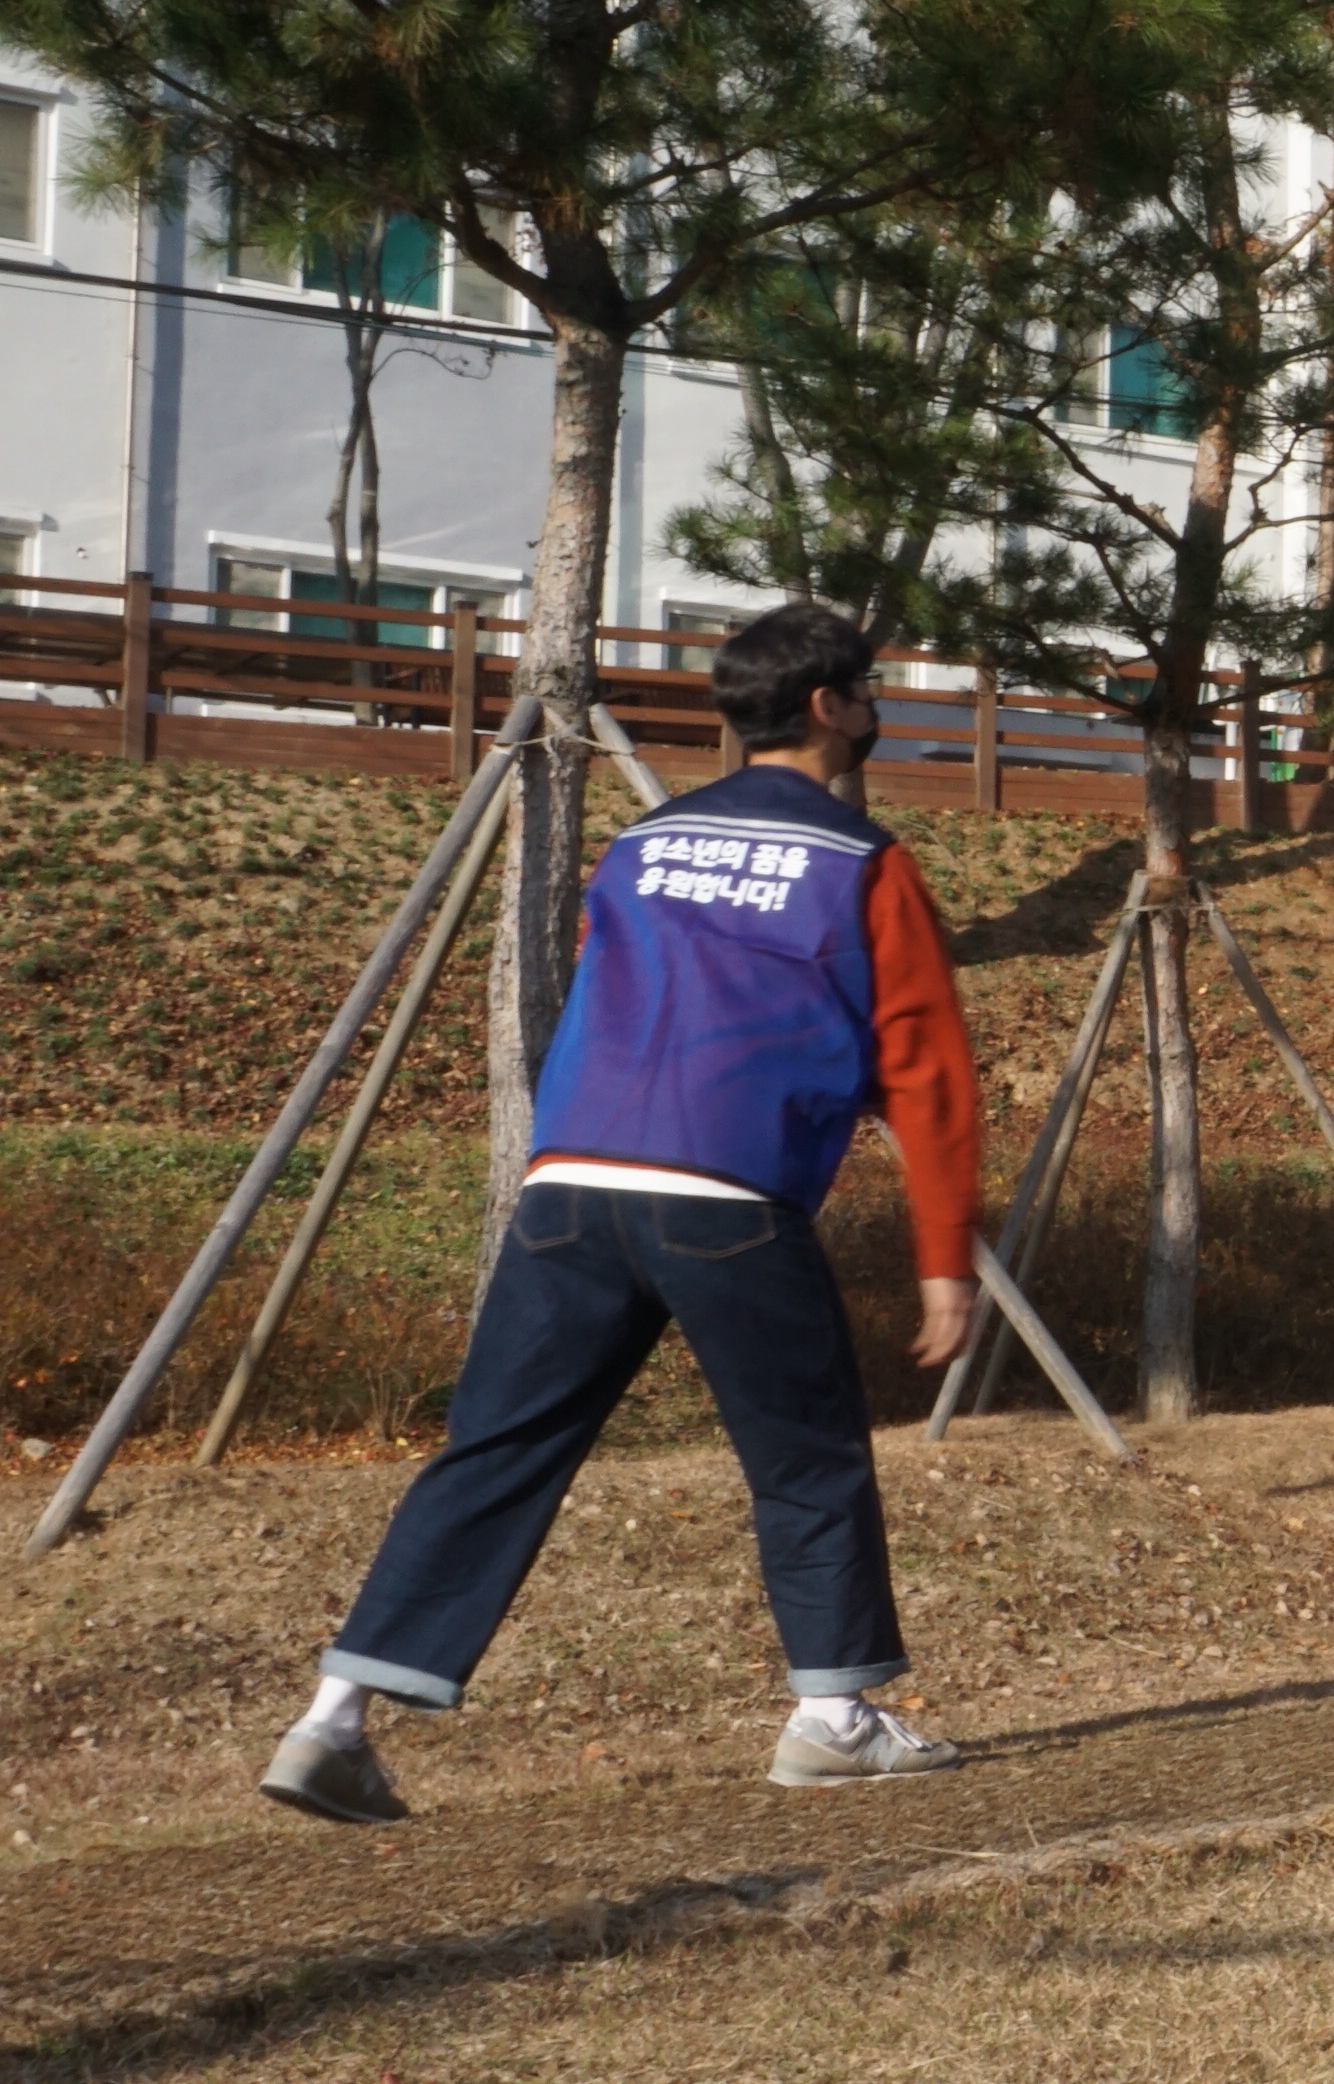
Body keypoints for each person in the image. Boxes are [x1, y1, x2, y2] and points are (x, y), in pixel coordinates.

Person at [260, 604, 984, 1825]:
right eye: (868, 691)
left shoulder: (638, 847)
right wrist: (943, 1258)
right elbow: (927, 1068)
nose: (877, 710)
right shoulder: (865, 862)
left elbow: (632, 996)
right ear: (826, 708)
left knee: (494, 1449)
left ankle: (332, 1718)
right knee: (805, 1455)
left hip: (570, 1187)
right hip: (728, 1196)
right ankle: (834, 1719)